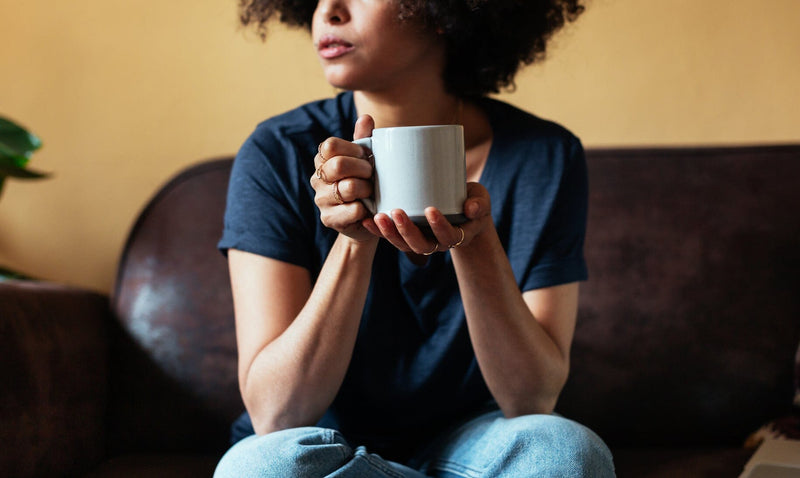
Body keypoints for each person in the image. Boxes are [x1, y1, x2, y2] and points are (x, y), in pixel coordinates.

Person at [214, 0, 615, 476]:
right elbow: (276, 414)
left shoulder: (545, 156)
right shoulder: (276, 152)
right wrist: (355, 240)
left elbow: (532, 398)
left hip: (478, 445)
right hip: (326, 447)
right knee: (265, 468)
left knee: (565, 453)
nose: (330, 11)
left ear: (446, 10)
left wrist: (475, 237)